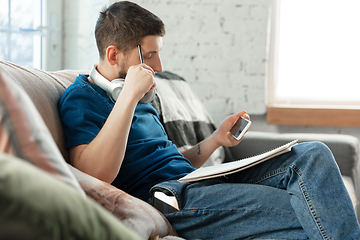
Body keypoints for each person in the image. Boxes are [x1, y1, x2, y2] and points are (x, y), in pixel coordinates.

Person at [58, 1, 360, 239]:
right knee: (317, 211)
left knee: (313, 154)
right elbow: (93, 174)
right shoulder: (80, 98)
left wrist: (217, 140)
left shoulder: (143, 96)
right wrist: (127, 99)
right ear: (113, 55)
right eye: (149, 56)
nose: (159, 66)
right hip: (168, 198)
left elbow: (172, 158)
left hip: (197, 182)